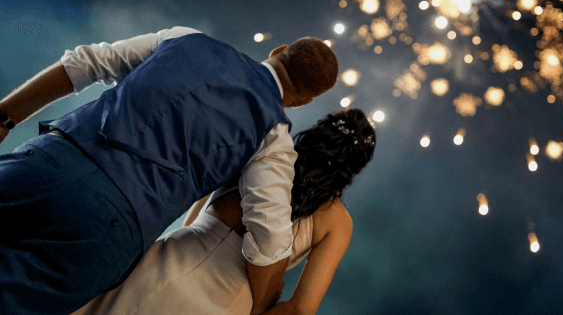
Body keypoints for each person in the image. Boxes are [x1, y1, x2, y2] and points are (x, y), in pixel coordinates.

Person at [0, 26, 338, 315]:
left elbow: (85, 63)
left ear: (277, 50)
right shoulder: (275, 140)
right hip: (106, 227)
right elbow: (268, 237)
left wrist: (5, 116)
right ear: (303, 101)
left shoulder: (187, 39)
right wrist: (264, 300)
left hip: (49, 161)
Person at [72, 108, 376, 315]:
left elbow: (198, 200)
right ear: (355, 167)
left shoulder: (266, 155)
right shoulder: (336, 220)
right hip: (228, 301)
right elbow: (300, 309)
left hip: (164, 261)